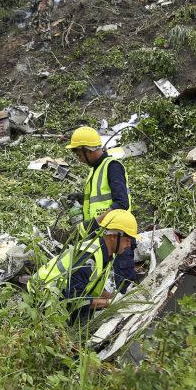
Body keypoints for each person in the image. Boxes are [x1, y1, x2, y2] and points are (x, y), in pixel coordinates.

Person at [30, 210, 138, 321]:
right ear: (114, 236)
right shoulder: (89, 258)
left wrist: (114, 297)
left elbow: (89, 288)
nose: (129, 245)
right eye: (127, 240)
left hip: (55, 296)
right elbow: (73, 298)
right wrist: (108, 303)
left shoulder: (104, 254)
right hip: (40, 298)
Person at [66, 126, 138, 293]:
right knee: (107, 280)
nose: (79, 159)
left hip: (119, 235)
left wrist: (95, 224)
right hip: (106, 236)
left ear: (87, 151)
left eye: (79, 153)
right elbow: (99, 199)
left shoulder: (112, 166)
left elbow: (121, 203)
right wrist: (81, 197)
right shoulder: (96, 170)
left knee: (123, 286)